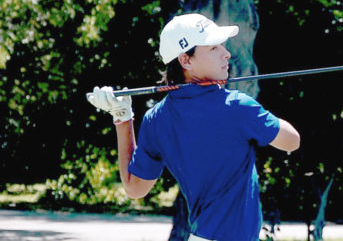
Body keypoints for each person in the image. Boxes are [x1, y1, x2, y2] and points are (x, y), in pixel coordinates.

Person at [88, 13, 300, 241]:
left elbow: (134, 189)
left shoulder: (155, 119)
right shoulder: (237, 106)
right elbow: (292, 141)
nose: (226, 54)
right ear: (185, 61)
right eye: (213, 48)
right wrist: (259, 117)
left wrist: (122, 119)